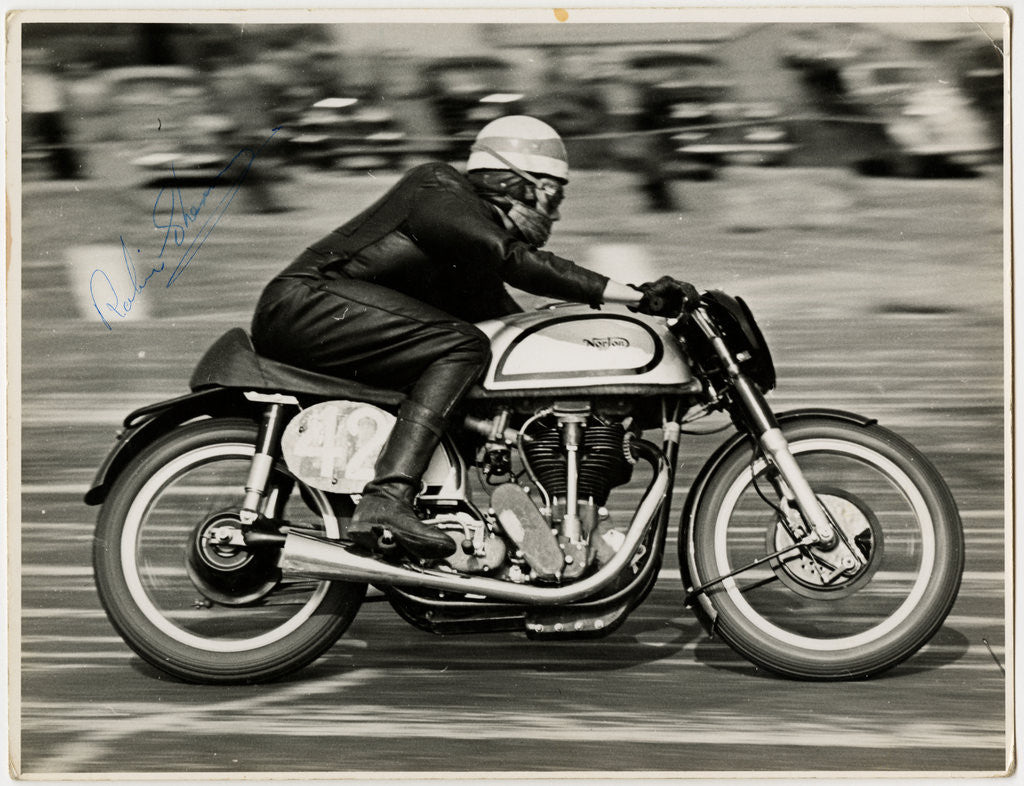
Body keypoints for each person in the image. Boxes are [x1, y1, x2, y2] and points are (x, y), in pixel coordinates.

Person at [251, 115, 697, 561]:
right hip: (304, 307)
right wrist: (633, 297)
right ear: (522, 183)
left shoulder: (467, 250)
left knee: (489, 363)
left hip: (331, 319)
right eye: (554, 194)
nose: (556, 212)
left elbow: (514, 329)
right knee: (463, 345)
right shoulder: (439, 190)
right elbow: (513, 258)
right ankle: (387, 499)